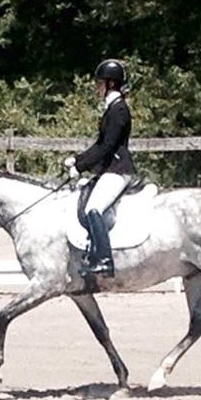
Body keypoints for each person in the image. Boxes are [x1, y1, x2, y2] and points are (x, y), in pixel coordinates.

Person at [63, 59, 135, 277]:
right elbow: (99, 144)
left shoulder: (119, 110)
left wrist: (82, 166)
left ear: (111, 84)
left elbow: (108, 146)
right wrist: (78, 160)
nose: (97, 87)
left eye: (100, 83)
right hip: (110, 168)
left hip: (118, 169)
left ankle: (104, 259)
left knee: (93, 208)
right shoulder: (111, 108)